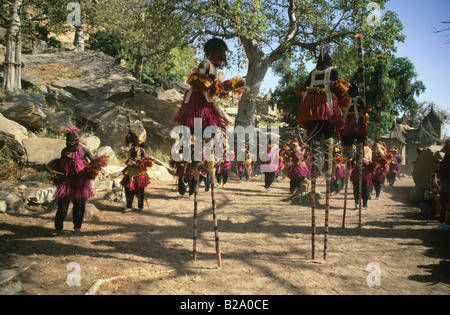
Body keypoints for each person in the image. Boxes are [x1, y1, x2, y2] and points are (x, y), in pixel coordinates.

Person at [47, 126, 108, 235]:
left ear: (77, 141)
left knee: (79, 205)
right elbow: (61, 165)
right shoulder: (64, 151)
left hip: (81, 183)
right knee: (62, 205)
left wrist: (93, 168)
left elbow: (94, 161)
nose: (71, 144)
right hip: (66, 182)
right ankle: (58, 228)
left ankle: (77, 227)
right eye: (68, 142)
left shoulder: (84, 150)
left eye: (73, 142)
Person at [120, 131, 155, 213]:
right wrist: (128, 162)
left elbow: (146, 159)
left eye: (131, 141)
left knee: (140, 189)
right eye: (129, 141)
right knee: (128, 188)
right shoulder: (129, 150)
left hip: (139, 172)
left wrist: (139, 163)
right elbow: (128, 159)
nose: (130, 143)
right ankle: (129, 206)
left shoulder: (141, 150)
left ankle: (140, 206)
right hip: (130, 171)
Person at [434, 139, 450, 230]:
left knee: (448, 203)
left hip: (448, 180)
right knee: (444, 201)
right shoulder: (447, 155)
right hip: (445, 180)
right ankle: (444, 222)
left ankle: (446, 224)